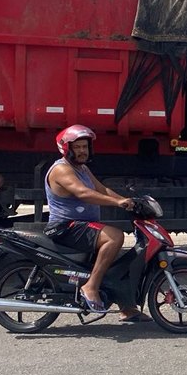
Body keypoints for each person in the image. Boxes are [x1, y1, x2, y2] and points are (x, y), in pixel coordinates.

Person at [45, 125, 148, 322]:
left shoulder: (82, 168)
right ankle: (90, 286)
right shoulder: (62, 169)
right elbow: (83, 193)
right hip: (66, 227)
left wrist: (127, 202)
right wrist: (117, 202)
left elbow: (101, 189)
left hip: (82, 225)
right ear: (66, 148)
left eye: (85, 146)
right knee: (114, 237)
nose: (83, 151)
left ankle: (127, 308)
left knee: (117, 260)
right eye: (78, 147)